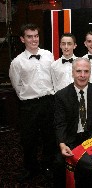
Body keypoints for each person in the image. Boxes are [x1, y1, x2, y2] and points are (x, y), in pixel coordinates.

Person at [9, 23, 56, 182]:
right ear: (23, 39)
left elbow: (54, 78)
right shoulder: (17, 62)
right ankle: (31, 168)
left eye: (36, 36)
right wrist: (29, 97)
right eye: (29, 36)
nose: (34, 39)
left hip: (49, 102)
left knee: (50, 137)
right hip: (29, 105)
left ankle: (48, 166)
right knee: (29, 139)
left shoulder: (49, 55)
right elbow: (17, 86)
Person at [53, 57, 92, 187]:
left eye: (86, 71)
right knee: (58, 163)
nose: (82, 75)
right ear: (72, 72)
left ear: (90, 73)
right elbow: (60, 123)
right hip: (71, 139)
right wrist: (62, 144)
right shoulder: (61, 95)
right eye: (79, 71)